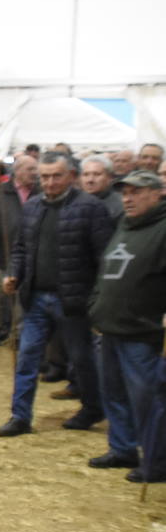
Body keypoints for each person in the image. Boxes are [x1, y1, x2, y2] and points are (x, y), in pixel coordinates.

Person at [0, 152, 113, 437]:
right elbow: (21, 248)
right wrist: (14, 273)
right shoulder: (33, 207)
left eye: (56, 176)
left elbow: (104, 258)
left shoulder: (91, 208)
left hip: (74, 300)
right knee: (27, 357)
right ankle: (20, 415)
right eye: (44, 177)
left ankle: (91, 407)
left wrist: (97, 299)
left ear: (71, 176)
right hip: (35, 297)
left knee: (81, 359)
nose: (49, 182)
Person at [86, 170, 166, 475]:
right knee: (114, 394)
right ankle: (122, 448)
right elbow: (106, 267)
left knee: (147, 399)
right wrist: (96, 306)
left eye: (137, 192)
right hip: (109, 326)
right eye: (125, 193)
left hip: (143, 331)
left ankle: (157, 460)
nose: (128, 198)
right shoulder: (124, 224)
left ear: (157, 193)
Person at [0, 155, 40, 346]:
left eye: (35, 169)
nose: (34, 173)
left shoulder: (40, 193)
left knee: (22, 297)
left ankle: (20, 333)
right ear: (18, 171)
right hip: (0, 253)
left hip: (29, 255)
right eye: (30, 169)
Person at [81, 154, 124, 225]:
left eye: (97, 174)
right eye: (86, 174)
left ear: (109, 178)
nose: (90, 180)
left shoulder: (121, 206)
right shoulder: (71, 202)